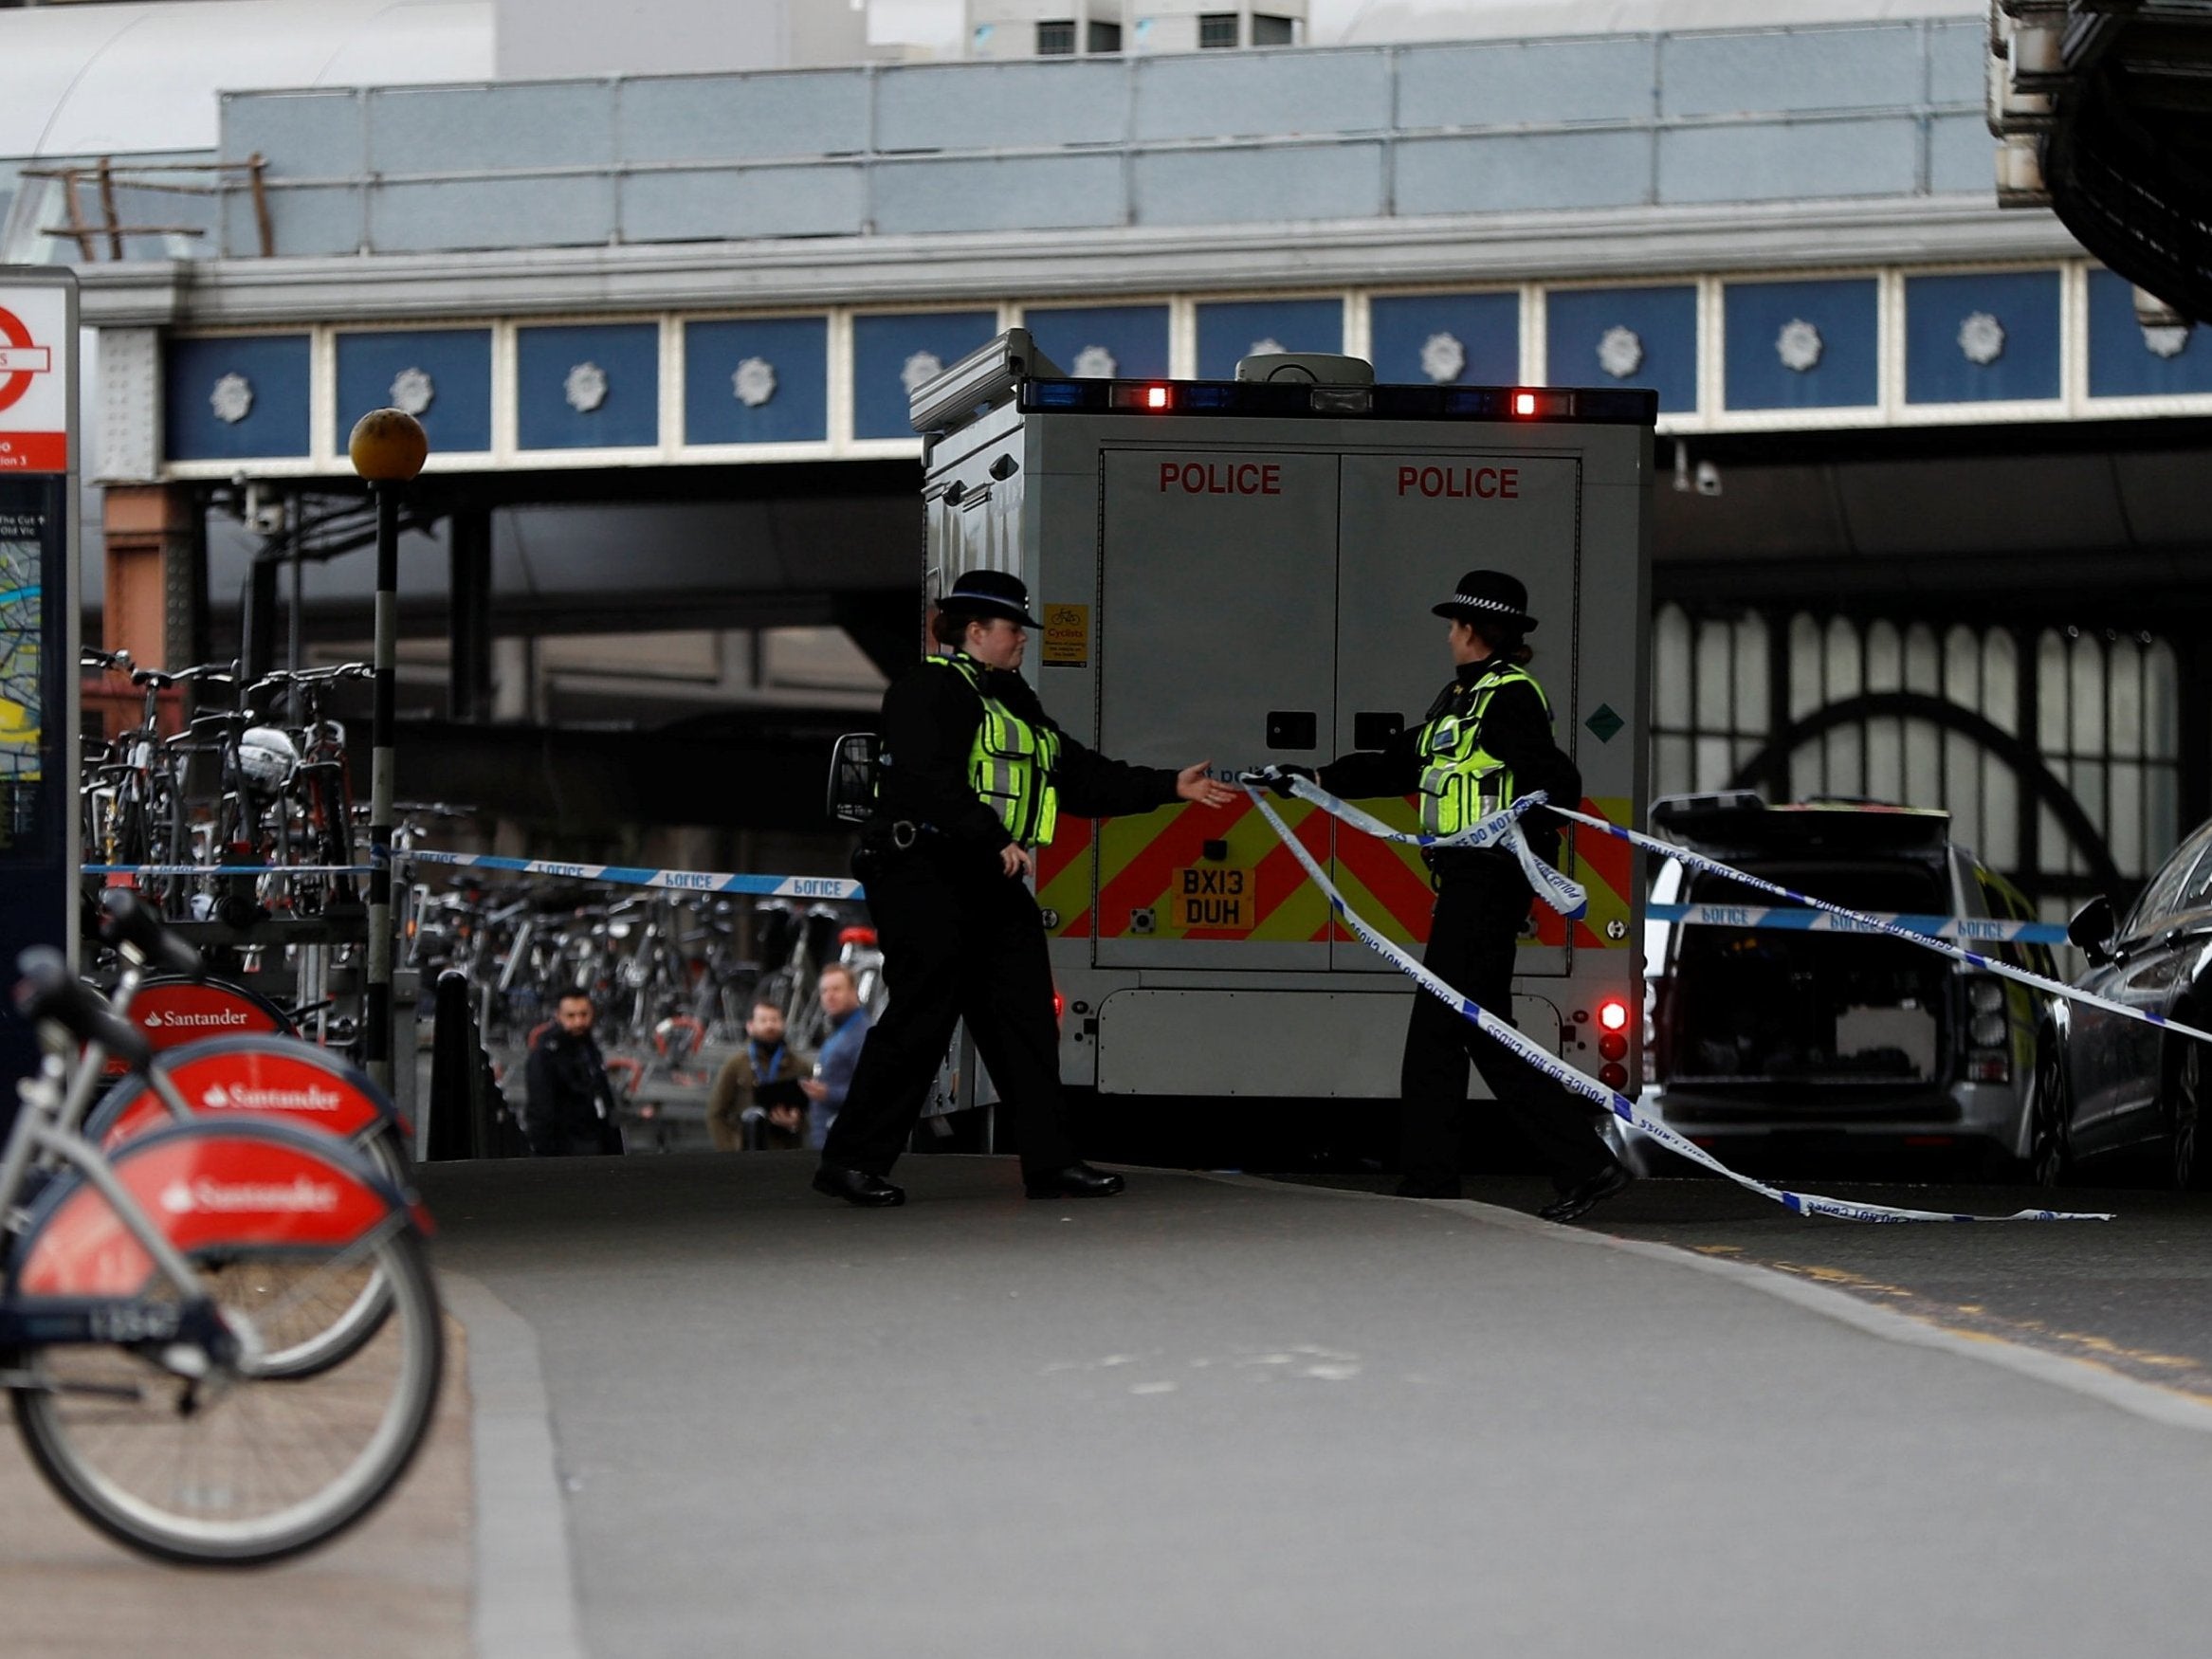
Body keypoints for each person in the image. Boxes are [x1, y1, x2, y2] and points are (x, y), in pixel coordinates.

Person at [814, 569, 1236, 1207]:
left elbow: (1079, 775)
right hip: (924, 873)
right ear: (976, 630)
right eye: (1013, 630)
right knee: (920, 1021)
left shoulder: (1013, 699)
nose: (1022, 642)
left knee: (1027, 1022)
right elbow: (930, 779)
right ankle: (850, 1162)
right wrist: (991, 836)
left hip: (987, 878)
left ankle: (1051, 1163)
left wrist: (1166, 786)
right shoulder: (926, 689)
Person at [1275, 569, 1633, 1222]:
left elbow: (1557, 779)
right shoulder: (1462, 700)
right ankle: (1450, 1175)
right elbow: (1397, 764)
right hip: (1469, 881)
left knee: (1457, 1029)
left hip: (1489, 881)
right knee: (1459, 1029)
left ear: (1474, 631)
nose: (1446, 636)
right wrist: (1312, 778)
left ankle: (1559, 1166)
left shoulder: (1508, 699)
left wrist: (1521, 824)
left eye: (1453, 625)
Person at [524, 989, 627, 1157]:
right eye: (571, 1016)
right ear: (558, 1016)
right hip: (566, 1150)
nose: (579, 1022)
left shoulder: (588, 1048)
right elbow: (541, 1113)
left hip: (595, 1142)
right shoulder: (546, 1056)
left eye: (584, 1014)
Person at [705, 996, 814, 1152]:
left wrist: (796, 1123)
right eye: (763, 1020)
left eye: (775, 1020)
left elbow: (815, 1112)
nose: (770, 1025)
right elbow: (715, 1113)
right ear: (750, 1026)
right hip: (747, 1151)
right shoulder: (736, 1065)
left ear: (783, 1024)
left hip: (786, 1151)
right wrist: (730, 1149)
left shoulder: (799, 1067)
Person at [798, 964, 869, 1150]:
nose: (829, 996)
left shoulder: (862, 1035)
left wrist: (828, 1093)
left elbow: (869, 1092)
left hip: (845, 1144)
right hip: (825, 1140)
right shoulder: (837, 1032)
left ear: (854, 992)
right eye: (824, 991)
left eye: (836, 989)